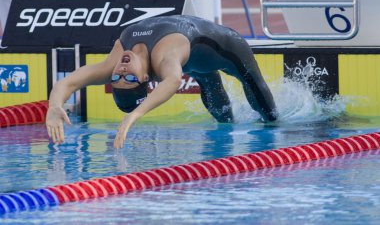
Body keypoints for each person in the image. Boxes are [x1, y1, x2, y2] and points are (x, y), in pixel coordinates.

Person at [46, 15, 278, 149]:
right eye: (129, 78)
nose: (121, 70)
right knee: (226, 121)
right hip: (206, 56)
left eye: (116, 77)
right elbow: (173, 80)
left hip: (229, 45)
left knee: (264, 107)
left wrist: (54, 106)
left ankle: (272, 120)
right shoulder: (164, 59)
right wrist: (136, 114)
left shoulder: (114, 61)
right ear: (146, 78)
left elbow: (68, 83)